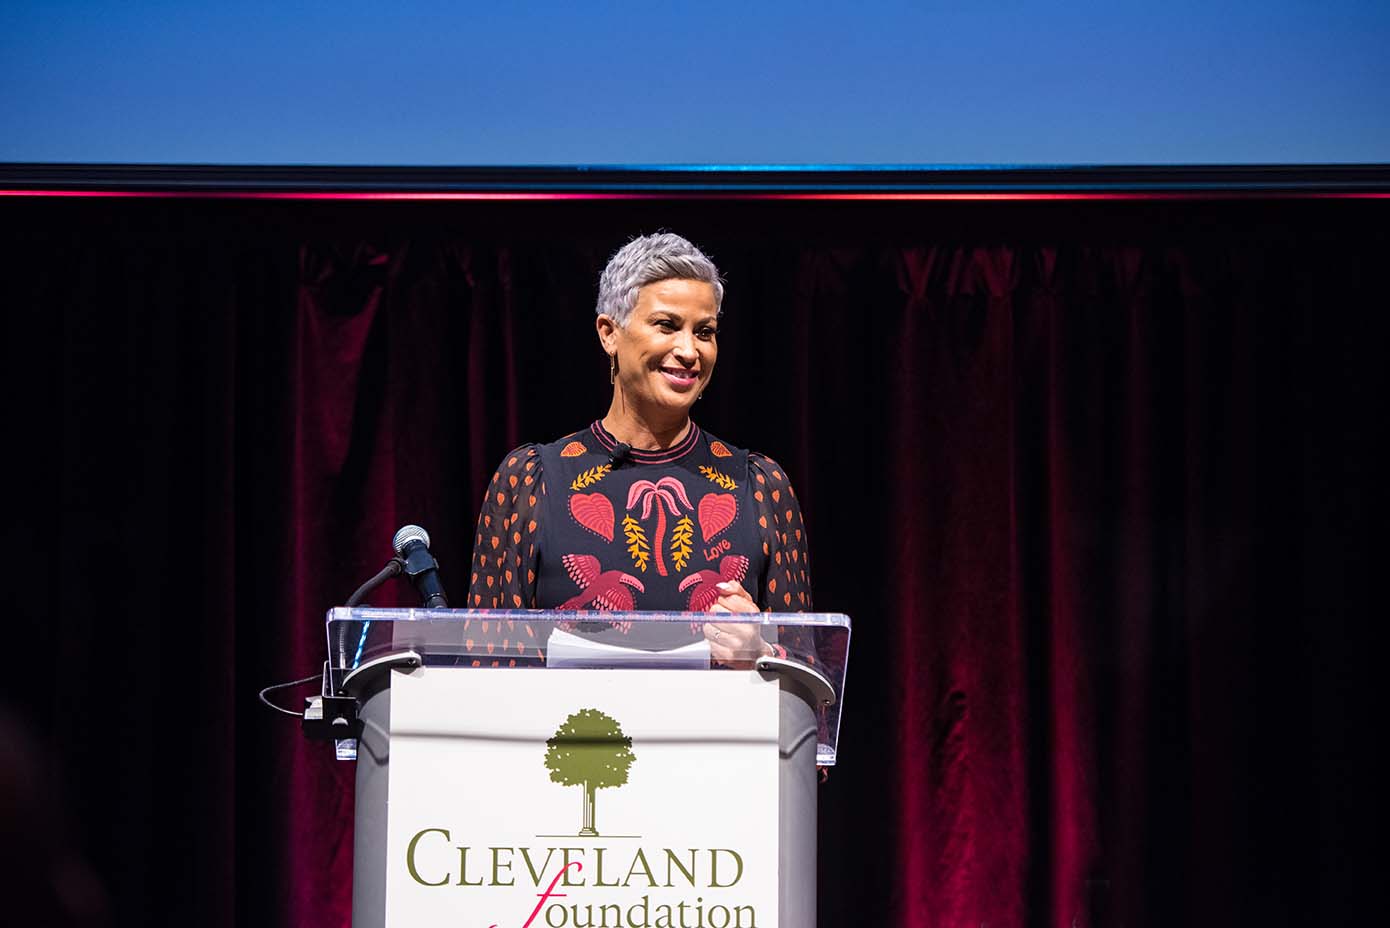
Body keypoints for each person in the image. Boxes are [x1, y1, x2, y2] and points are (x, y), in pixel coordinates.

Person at [466, 232, 812, 665]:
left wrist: (761, 652)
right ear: (609, 333)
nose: (689, 351)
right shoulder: (530, 480)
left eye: (705, 332)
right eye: (667, 325)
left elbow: (808, 684)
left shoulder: (760, 485)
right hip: (575, 733)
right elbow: (486, 668)